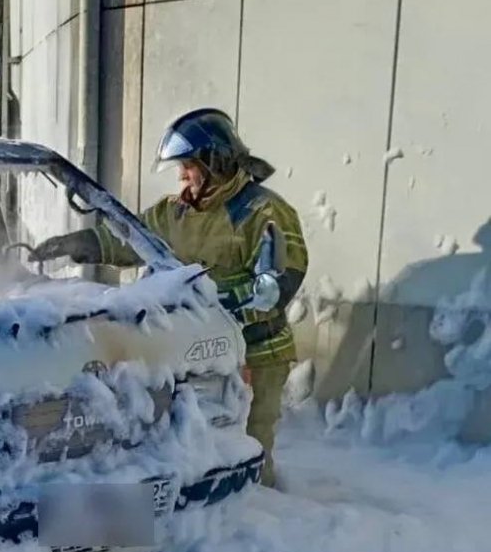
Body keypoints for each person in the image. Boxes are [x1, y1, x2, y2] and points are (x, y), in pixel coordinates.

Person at [31, 108, 308, 486]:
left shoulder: (263, 211)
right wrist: (79, 243)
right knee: (190, 451)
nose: (181, 175)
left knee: (246, 448)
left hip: (255, 354)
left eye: (189, 166)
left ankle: (259, 517)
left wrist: (208, 302)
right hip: (190, 352)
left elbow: (276, 283)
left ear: (216, 161)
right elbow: (130, 240)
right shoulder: (174, 212)